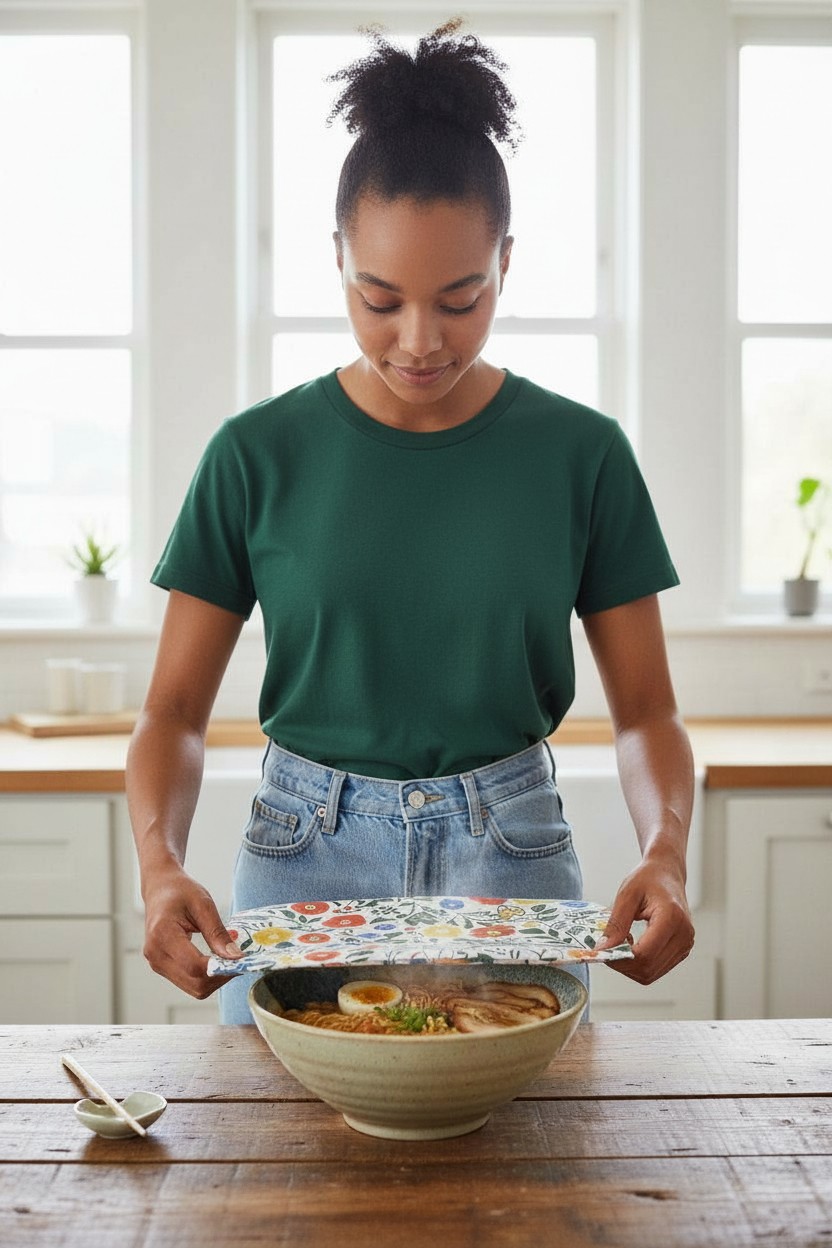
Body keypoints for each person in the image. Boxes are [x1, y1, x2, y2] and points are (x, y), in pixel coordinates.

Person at [126, 20, 695, 1025]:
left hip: (509, 854)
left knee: (530, 1159)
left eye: (461, 299)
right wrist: (159, 866)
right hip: (302, 856)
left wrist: (667, 852)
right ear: (335, 257)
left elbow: (648, 712)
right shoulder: (255, 456)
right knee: (274, 1158)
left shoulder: (582, 454)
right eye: (377, 298)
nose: (420, 341)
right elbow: (170, 714)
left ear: (506, 264)